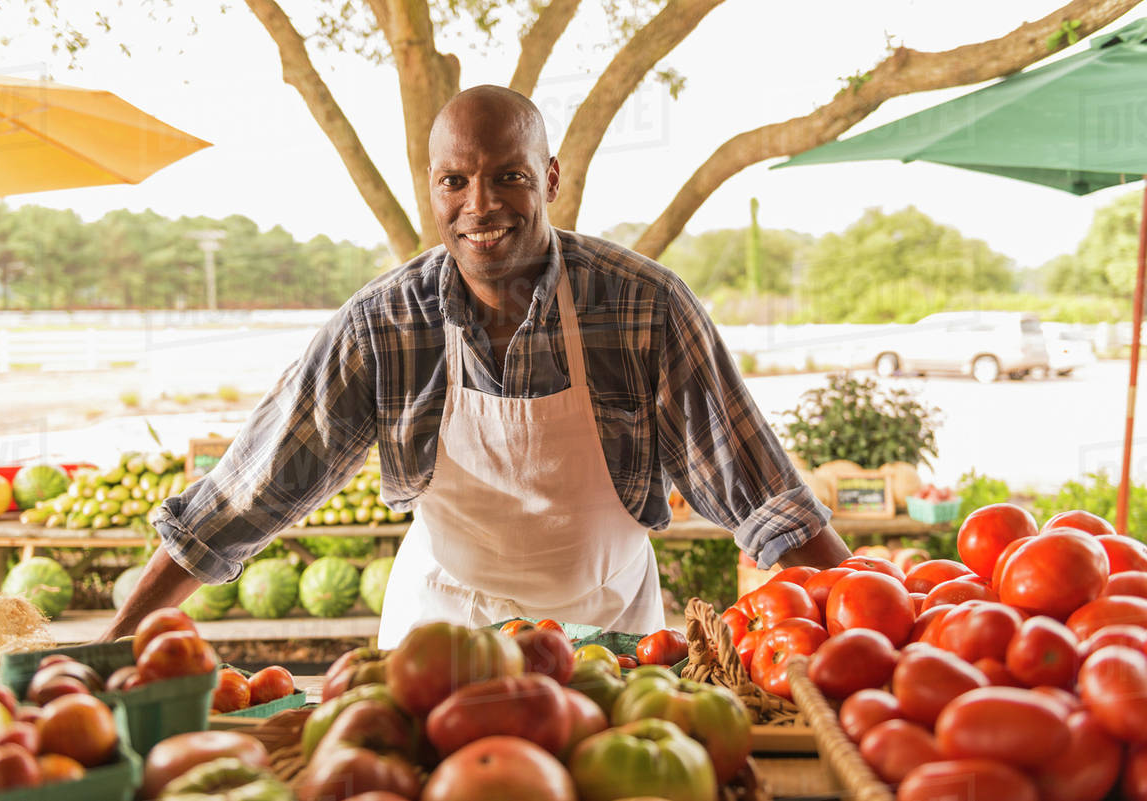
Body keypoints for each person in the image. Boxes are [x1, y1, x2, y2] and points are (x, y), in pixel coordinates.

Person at [103, 85, 850, 647]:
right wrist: (111, 649)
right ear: (432, 187)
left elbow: (769, 501)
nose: (480, 205)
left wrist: (879, 634)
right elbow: (243, 498)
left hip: (609, 642)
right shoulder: (383, 326)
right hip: (440, 636)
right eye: (454, 181)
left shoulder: (645, 309)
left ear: (550, 178)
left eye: (508, 177)